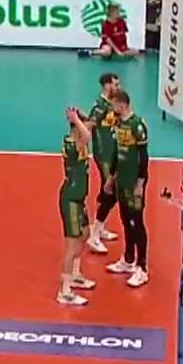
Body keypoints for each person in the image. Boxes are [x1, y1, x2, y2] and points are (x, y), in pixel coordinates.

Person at [105, 90, 152, 287]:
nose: (112, 108)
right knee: (125, 220)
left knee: (136, 222)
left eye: (114, 105)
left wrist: (141, 183)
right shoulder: (118, 124)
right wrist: (111, 177)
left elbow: (144, 157)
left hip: (134, 183)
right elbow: (116, 152)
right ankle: (128, 258)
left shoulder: (137, 125)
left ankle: (142, 267)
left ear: (122, 105)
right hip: (122, 181)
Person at [57, 106, 98, 305]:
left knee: (85, 234)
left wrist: (80, 117)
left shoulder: (78, 139)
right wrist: (76, 119)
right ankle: (64, 291)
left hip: (79, 198)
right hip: (71, 199)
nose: (88, 126)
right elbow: (88, 135)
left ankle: (75, 275)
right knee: (72, 246)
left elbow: (91, 128)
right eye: (83, 124)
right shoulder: (74, 143)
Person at [84, 73, 122, 253]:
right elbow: (89, 127)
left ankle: (99, 227)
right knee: (110, 191)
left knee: (105, 190)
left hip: (112, 153)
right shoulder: (100, 107)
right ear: (107, 86)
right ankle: (94, 236)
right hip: (104, 155)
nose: (118, 87)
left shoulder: (110, 104)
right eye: (115, 84)